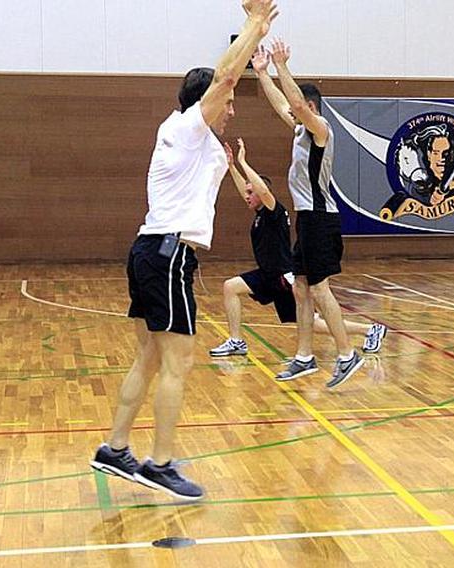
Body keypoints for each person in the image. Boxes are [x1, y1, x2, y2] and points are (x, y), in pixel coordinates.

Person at [89, 0, 279, 501]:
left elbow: (237, 187)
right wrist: (255, 25)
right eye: (228, 101)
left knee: (149, 358)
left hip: (149, 250)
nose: (232, 106)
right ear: (205, 103)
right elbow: (224, 77)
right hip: (169, 254)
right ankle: (160, 463)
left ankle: (114, 447)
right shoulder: (188, 127)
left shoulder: (198, 142)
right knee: (178, 363)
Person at [208, 139, 388, 358]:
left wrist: (242, 161)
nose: (246, 196)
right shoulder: (260, 213)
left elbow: (262, 190)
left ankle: (370, 329)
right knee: (230, 287)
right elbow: (249, 190)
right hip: (267, 274)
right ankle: (236, 341)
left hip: (283, 277)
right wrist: (231, 167)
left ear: (261, 193)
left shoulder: (274, 210)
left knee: (312, 323)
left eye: (250, 192)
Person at [253, 41, 363, 387]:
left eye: (302, 108)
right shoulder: (301, 129)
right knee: (300, 287)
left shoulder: (320, 129)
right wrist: (263, 73)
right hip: (307, 219)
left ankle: (348, 355)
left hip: (320, 219)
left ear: (312, 108)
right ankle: (304, 357)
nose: (294, 112)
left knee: (318, 289)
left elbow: (296, 103)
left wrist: (283, 66)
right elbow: (284, 104)